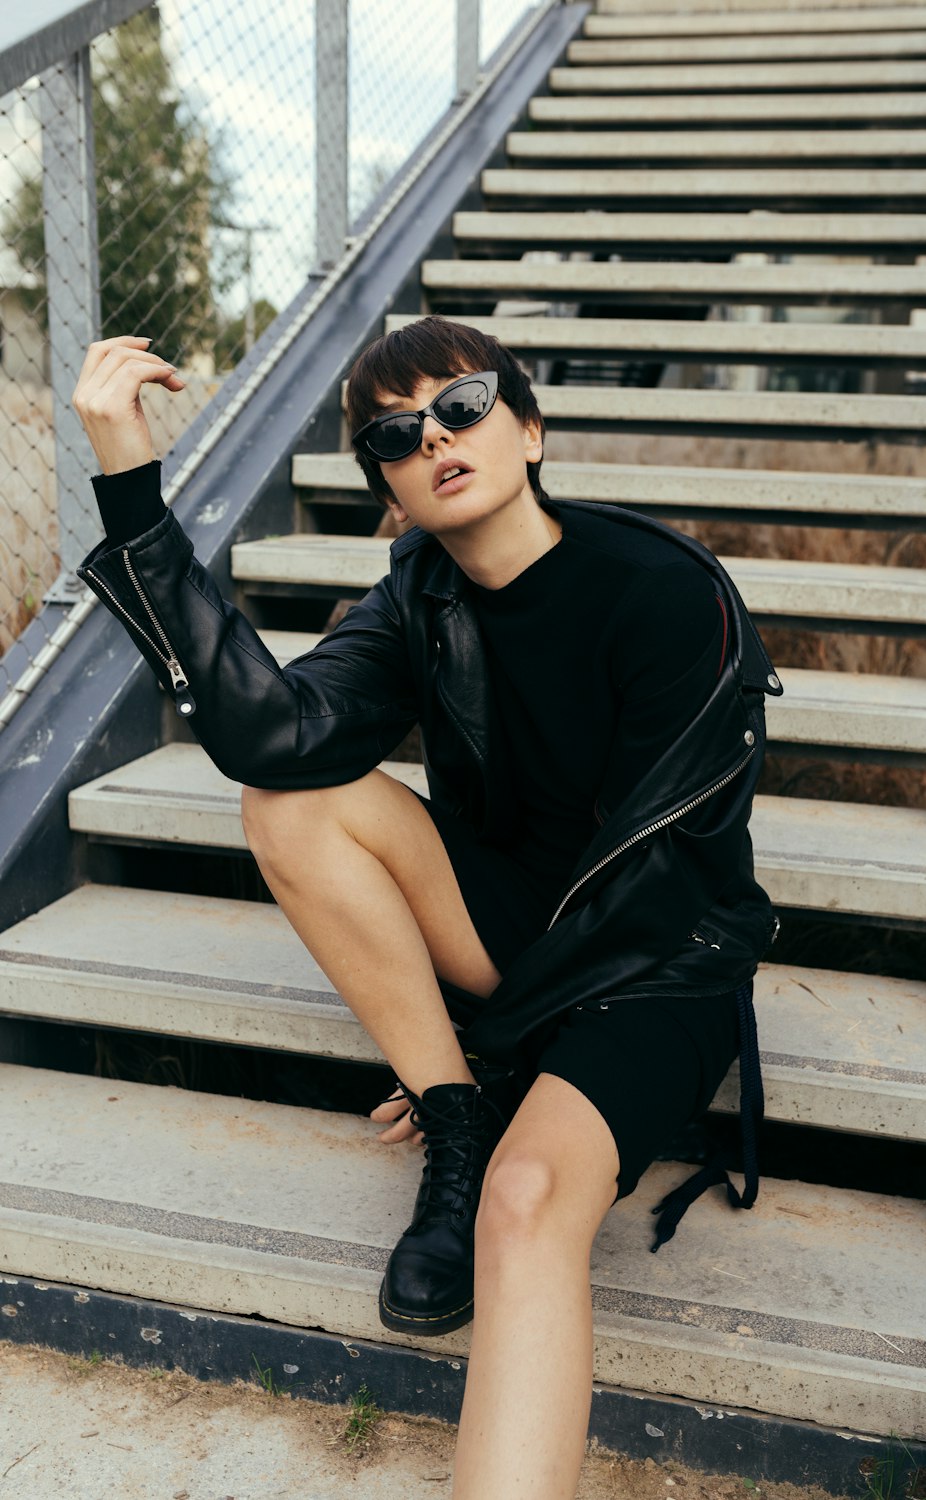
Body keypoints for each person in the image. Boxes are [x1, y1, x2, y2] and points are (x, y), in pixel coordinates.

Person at [73, 316, 781, 1500]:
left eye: (462, 405)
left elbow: (650, 894)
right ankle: (456, 1121)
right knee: (289, 803)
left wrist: (510, 1048)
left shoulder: (665, 593)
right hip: (511, 934)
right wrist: (131, 491)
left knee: (529, 1200)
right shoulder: (417, 595)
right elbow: (270, 737)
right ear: (391, 493)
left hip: (657, 960)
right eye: (398, 434)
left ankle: (485, 1122)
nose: (435, 437)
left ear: (530, 425)